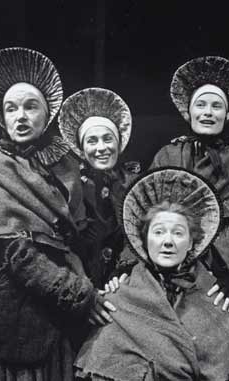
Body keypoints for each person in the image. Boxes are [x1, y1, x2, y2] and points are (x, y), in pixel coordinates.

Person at [0, 47, 114, 381]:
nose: (21, 116)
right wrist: (80, 294)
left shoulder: (66, 167)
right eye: (11, 108)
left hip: (60, 318)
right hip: (13, 318)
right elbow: (13, 253)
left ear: (48, 114)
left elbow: (81, 234)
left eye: (31, 107)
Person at [150, 56, 229, 373]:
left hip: (226, 283)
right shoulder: (168, 155)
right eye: (200, 105)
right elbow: (141, 218)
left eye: (216, 106)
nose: (207, 112)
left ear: (228, 112)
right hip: (172, 280)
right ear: (187, 110)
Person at [75, 168, 229, 381]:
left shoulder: (215, 298)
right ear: (145, 240)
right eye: (158, 232)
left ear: (190, 244)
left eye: (178, 233)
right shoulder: (118, 298)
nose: (167, 241)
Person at [59, 87, 140, 289]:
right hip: (80, 280)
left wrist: (126, 267)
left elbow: (141, 233)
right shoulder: (69, 183)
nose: (101, 148)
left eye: (108, 139)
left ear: (119, 142)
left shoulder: (134, 183)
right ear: (81, 148)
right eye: (92, 141)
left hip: (125, 277)